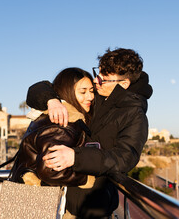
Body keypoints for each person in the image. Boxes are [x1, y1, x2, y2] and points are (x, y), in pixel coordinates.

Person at [26, 48, 153, 218]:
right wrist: (52, 100)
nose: (96, 81)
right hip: (59, 201)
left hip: (92, 207)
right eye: (97, 73)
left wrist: (76, 157)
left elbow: (125, 158)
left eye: (103, 79)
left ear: (123, 84)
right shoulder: (97, 94)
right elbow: (38, 88)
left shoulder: (135, 116)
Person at [10, 67, 95, 188]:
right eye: (83, 92)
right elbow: (50, 171)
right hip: (40, 199)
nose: (90, 97)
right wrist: (87, 179)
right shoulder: (62, 124)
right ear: (67, 91)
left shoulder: (47, 115)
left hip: (25, 191)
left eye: (92, 91)